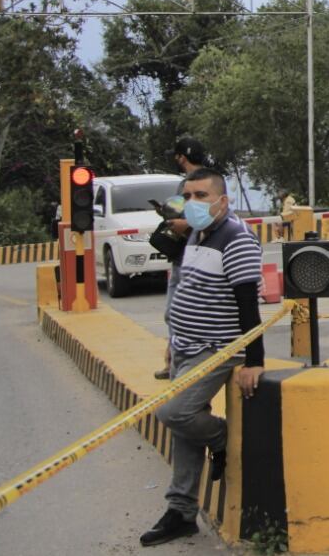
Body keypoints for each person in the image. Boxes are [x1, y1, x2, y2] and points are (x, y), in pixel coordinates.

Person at [140, 168, 264, 547]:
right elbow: (186, 281)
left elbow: (248, 305)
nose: (193, 203)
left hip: (215, 349)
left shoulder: (236, 239)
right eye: (188, 195)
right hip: (185, 345)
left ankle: (224, 438)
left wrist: (253, 360)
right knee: (183, 431)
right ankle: (181, 511)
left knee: (174, 412)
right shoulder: (199, 232)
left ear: (223, 201)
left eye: (201, 196)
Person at [155, 137, 210, 380]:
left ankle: (178, 364)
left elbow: (207, 219)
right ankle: (172, 361)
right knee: (180, 311)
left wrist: (181, 224)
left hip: (187, 256)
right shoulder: (213, 181)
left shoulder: (192, 183)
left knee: (176, 311)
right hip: (194, 255)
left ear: (182, 158)